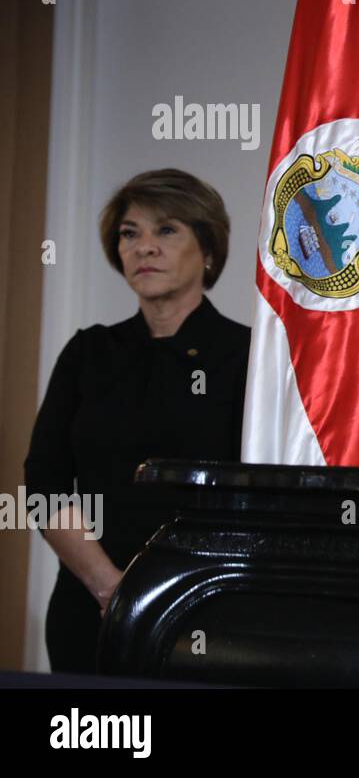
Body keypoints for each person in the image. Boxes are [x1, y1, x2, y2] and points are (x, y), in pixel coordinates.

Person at [24, 169, 251, 673]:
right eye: (130, 233)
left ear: (208, 249)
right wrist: (109, 587)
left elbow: (257, 498)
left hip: (207, 610)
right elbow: (44, 482)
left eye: (166, 230)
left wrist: (158, 595)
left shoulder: (247, 357)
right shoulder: (89, 352)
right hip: (90, 607)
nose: (144, 247)